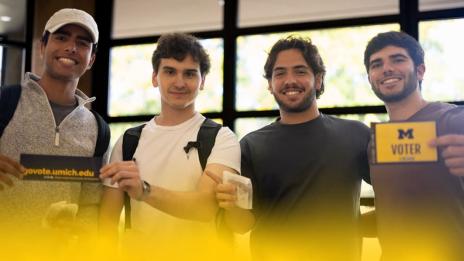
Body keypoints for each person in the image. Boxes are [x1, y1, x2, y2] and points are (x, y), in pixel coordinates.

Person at [212, 35, 371, 261]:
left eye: (300, 71)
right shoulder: (251, 145)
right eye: (280, 73)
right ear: (270, 84)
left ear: (318, 79)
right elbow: (242, 225)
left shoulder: (356, 134)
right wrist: (230, 205)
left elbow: (396, 192)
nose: (290, 80)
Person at [98, 33, 241, 259]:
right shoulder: (128, 141)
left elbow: (205, 208)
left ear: (202, 81)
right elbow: (106, 223)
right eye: (170, 71)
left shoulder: (221, 138)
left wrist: (144, 191)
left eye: (190, 73)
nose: (180, 82)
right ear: (155, 77)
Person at [0, 7, 107, 257]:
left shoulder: (97, 129)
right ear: (42, 47)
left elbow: (91, 205)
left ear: (91, 59)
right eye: (61, 37)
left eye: (82, 43)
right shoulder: (5, 102)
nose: (71, 47)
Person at [364, 31, 464, 261]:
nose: (387, 68)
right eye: (376, 64)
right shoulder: (377, 142)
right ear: (370, 79)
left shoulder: (452, 119)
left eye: (397, 59)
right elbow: (397, 210)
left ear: (420, 71)